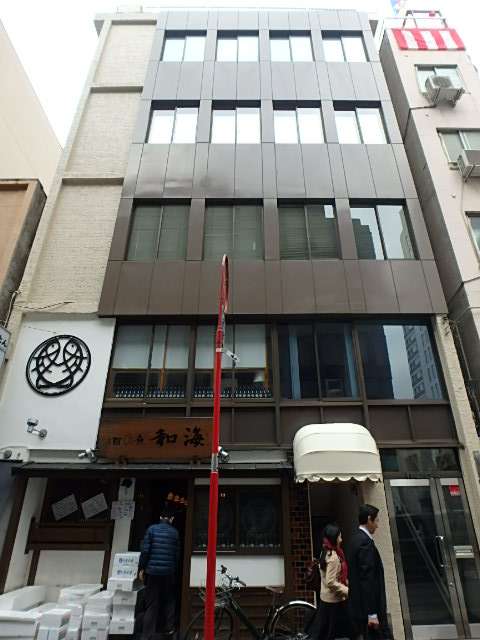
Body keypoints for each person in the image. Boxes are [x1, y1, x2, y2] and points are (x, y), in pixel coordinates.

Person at [347, 504, 393, 640]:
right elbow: (368, 579)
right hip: (369, 611)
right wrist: (372, 613)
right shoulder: (365, 543)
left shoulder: (355, 540)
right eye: (376, 521)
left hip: (360, 608)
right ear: (369, 519)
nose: (377, 525)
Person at [305, 523, 356, 640]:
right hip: (335, 601)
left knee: (325, 634)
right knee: (350, 631)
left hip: (326, 600)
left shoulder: (324, 551)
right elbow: (330, 581)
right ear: (334, 539)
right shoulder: (333, 558)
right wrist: (346, 590)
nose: (341, 540)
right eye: (340, 537)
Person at [138, 509, 180, 640]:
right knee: (169, 600)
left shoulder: (151, 530)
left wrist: (141, 568)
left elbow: (145, 551)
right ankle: (169, 629)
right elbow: (177, 555)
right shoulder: (175, 533)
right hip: (168, 572)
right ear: (172, 519)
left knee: (152, 603)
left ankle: (147, 635)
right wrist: (174, 569)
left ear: (160, 517)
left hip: (151, 572)